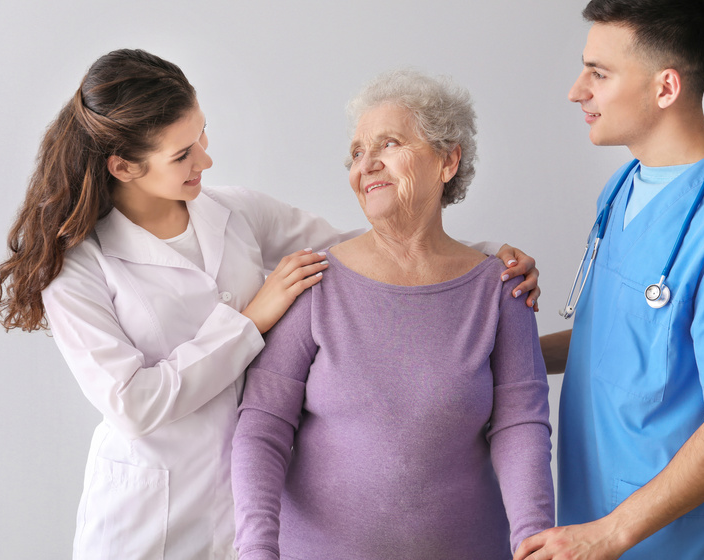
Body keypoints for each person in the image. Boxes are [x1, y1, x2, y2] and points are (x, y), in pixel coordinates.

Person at [0, 50, 539, 560]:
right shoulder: (79, 268)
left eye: (202, 135)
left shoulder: (237, 213)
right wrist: (251, 321)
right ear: (124, 168)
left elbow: (377, 242)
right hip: (148, 514)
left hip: (244, 513)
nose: (206, 158)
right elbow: (134, 403)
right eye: (183, 153)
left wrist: (485, 259)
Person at [231, 69, 555, 560]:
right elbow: (261, 427)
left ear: (448, 161)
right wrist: (256, 548)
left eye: (390, 143)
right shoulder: (312, 282)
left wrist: (535, 541)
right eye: (357, 152)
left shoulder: (500, 289)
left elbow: (521, 427)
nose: (367, 164)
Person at [515, 1, 704, 559]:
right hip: (586, 519)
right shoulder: (624, 187)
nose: (576, 90)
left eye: (599, 73)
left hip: (669, 541)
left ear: (666, 88)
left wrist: (610, 533)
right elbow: (622, 341)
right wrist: (506, 353)